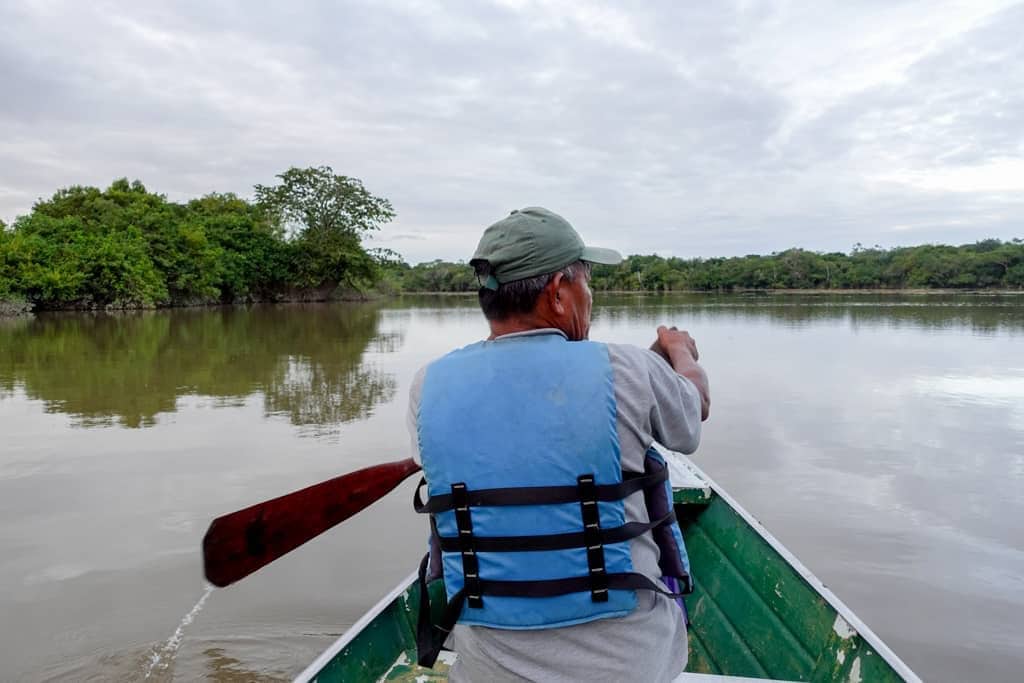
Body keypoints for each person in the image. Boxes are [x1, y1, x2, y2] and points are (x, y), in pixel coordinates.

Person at [406, 207, 711, 682]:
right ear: (558, 293)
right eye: (587, 282)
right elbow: (693, 414)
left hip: (490, 670)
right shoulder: (630, 370)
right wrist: (680, 352)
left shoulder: (427, 385)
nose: (592, 296)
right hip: (630, 666)